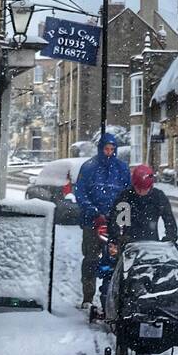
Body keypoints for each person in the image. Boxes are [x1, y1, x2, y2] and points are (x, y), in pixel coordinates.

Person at [73, 132, 131, 308]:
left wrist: (121, 219)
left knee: (115, 260)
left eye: (112, 149)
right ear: (100, 148)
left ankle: (111, 296)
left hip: (115, 222)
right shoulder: (89, 167)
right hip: (92, 221)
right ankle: (88, 297)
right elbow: (80, 192)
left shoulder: (121, 168)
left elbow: (127, 195)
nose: (109, 152)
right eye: (106, 148)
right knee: (91, 258)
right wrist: (93, 211)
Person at [109, 164, 178, 247]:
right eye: (139, 188)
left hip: (152, 244)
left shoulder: (158, 197)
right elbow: (114, 220)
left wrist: (170, 238)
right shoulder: (125, 197)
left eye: (145, 189)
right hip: (129, 244)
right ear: (134, 185)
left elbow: (169, 220)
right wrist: (117, 238)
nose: (141, 192)